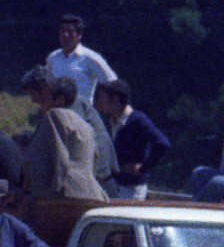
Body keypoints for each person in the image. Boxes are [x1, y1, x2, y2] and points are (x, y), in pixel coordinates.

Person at [47, 14, 120, 186]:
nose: (65, 36)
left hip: (82, 116)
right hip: (58, 116)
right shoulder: (53, 58)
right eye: (62, 31)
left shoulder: (90, 58)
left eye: (70, 32)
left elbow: (112, 82)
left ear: (79, 35)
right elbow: (48, 85)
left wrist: (102, 105)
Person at [20, 67, 101, 203]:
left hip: (64, 196)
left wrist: (54, 194)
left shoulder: (55, 115)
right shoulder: (86, 125)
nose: (36, 101)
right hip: (87, 193)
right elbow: (95, 159)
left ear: (59, 100)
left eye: (46, 96)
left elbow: (60, 155)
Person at [95, 79, 169, 200]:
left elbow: (162, 143)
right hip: (114, 186)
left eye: (102, 98)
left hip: (131, 188)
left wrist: (143, 169)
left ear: (115, 99)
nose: (99, 102)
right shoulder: (111, 121)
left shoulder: (137, 120)